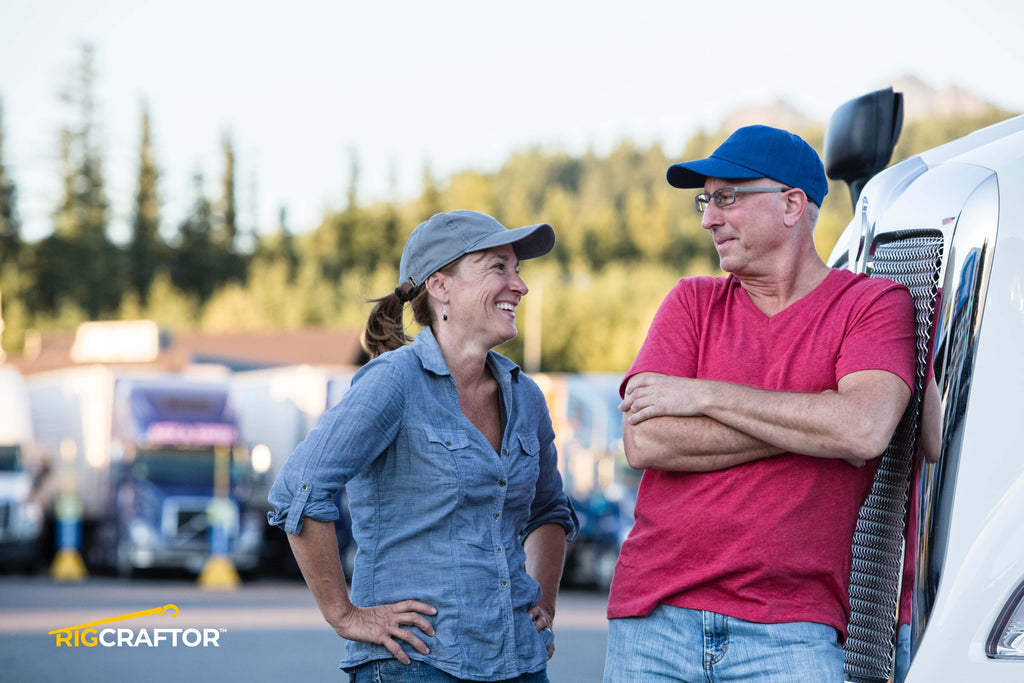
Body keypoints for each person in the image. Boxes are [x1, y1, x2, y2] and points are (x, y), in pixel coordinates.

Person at [602, 125, 918, 682]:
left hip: (792, 630)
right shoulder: (691, 302)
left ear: (792, 204)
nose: (708, 218)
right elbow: (645, 440)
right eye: (705, 201)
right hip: (655, 621)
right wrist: (815, 429)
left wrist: (705, 395)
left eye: (727, 197)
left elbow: (862, 430)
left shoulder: (871, 304)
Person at [268, 209, 579, 682]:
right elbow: (299, 490)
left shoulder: (527, 397)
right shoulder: (394, 382)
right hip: (416, 662)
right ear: (439, 285)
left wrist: (545, 604)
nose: (519, 285)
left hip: (519, 660)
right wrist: (345, 615)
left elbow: (549, 510)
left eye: (517, 269)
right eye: (499, 267)